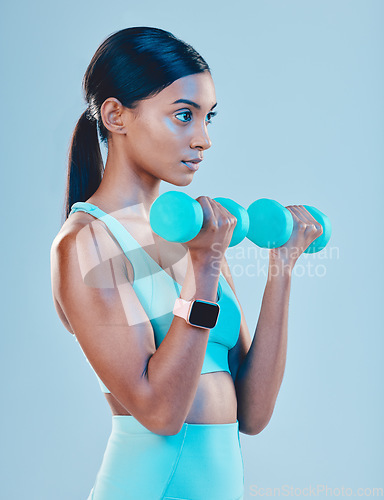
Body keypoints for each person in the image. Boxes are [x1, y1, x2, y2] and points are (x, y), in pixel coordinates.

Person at [50, 26, 323, 500]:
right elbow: (160, 412)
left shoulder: (197, 235)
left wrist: (282, 268)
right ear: (116, 115)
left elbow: (254, 413)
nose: (204, 139)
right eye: (183, 115)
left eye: (208, 118)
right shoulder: (86, 243)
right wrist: (206, 267)